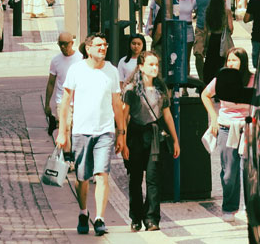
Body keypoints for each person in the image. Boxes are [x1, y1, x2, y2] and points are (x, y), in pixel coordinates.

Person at [57, 32, 125, 238]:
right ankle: (83, 212)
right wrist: (63, 132)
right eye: (98, 45)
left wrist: (121, 132)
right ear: (88, 49)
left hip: (105, 131)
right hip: (81, 130)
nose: (103, 48)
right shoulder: (76, 70)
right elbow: (66, 102)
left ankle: (100, 219)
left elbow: (116, 104)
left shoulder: (112, 71)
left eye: (105, 45)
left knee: (102, 175)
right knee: (82, 177)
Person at [121, 50, 180, 232]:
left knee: (154, 178)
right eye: (151, 65)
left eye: (156, 65)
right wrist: (122, 141)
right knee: (136, 178)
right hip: (136, 135)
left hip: (154, 135)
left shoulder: (161, 87)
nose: (155, 68)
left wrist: (176, 140)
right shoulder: (131, 89)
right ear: (141, 67)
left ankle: (152, 218)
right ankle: (136, 217)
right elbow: (124, 116)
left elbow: (167, 115)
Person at [202, 47, 255, 221]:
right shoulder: (222, 79)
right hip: (226, 127)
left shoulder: (253, 79)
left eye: (235, 60)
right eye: (229, 60)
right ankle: (229, 207)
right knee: (229, 172)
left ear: (243, 62)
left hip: (248, 129)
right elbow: (205, 95)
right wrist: (214, 118)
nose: (231, 63)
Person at [44, 32, 82, 133]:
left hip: (79, 100)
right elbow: (51, 83)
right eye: (60, 44)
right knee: (65, 127)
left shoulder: (81, 58)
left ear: (72, 43)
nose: (63, 46)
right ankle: (66, 149)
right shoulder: (55, 60)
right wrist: (47, 104)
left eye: (66, 44)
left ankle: (73, 148)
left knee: (77, 130)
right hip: (62, 100)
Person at [202, 0, 234, 86]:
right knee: (221, 64)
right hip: (222, 40)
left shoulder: (208, 10)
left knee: (211, 64)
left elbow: (206, 30)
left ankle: (211, 87)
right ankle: (221, 87)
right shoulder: (226, 11)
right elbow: (231, 28)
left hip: (212, 40)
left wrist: (205, 45)